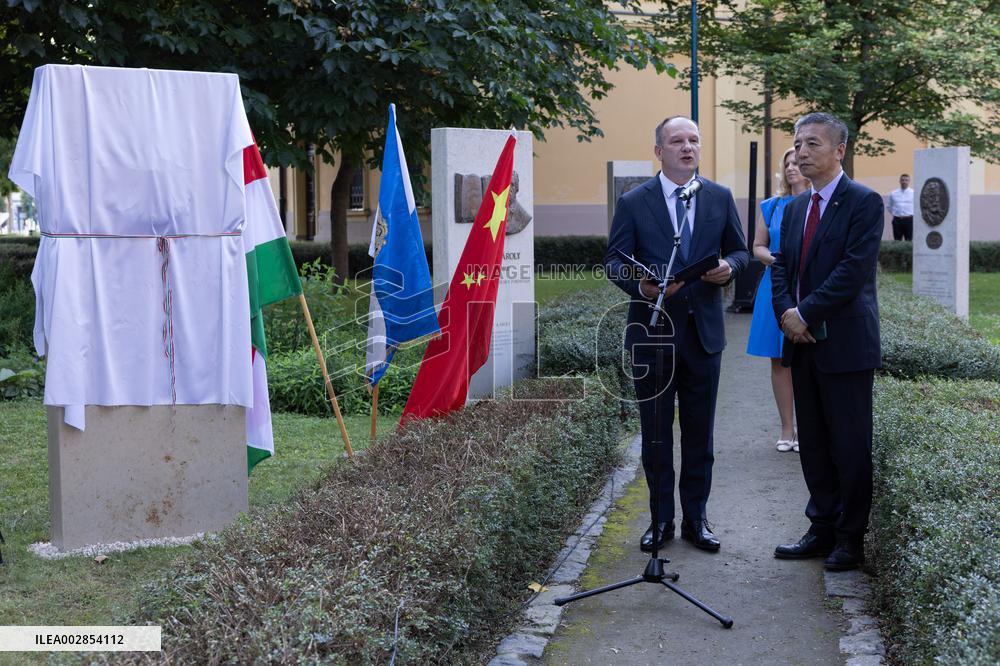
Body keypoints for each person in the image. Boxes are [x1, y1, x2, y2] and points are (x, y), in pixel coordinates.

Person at [605, 116, 749, 553]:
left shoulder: (719, 197)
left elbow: (740, 251)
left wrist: (731, 269)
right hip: (652, 334)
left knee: (700, 434)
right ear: (659, 152)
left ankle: (696, 520)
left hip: (704, 335)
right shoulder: (634, 201)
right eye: (677, 141)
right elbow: (614, 261)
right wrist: (643, 286)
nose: (687, 147)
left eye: (693, 141)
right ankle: (660, 521)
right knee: (655, 433)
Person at [771, 112, 884, 572]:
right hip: (801, 343)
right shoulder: (796, 206)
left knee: (850, 445)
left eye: (813, 144)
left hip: (845, 344)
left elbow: (852, 272)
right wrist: (786, 313)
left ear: (840, 150)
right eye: (799, 144)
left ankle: (850, 539)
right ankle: (820, 527)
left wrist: (805, 312)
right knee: (814, 442)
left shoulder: (864, 202)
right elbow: (780, 266)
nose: (801, 152)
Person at [746, 147, 810, 452]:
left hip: (808, 287)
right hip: (774, 286)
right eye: (788, 164)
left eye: (796, 163)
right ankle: (787, 429)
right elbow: (757, 246)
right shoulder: (771, 206)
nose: (792, 168)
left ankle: (809, 429)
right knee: (778, 361)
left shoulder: (817, 202)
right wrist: (776, 260)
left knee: (808, 361)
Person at [888, 173, 914, 240]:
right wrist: (896, 213)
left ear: (909, 181)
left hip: (909, 220)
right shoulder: (893, 193)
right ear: (899, 181)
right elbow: (889, 207)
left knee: (909, 241)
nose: (904, 182)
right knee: (897, 240)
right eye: (902, 180)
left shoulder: (913, 193)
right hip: (897, 220)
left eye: (906, 180)